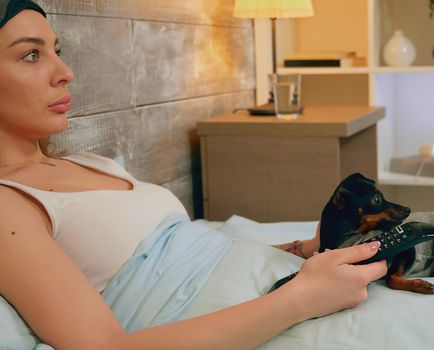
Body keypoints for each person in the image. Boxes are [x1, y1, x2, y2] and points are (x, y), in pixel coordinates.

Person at [0, 1, 387, 349]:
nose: (65, 72)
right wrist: (303, 298)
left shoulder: (87, 163)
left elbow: (189, 256)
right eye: (32, 55)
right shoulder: (9, 204)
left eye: (57, 50)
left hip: (280, 286)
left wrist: (302, 248)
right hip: (270, 314)